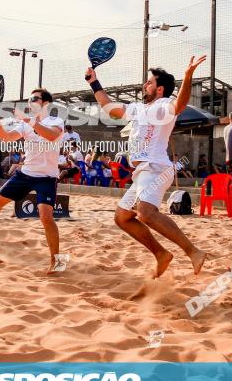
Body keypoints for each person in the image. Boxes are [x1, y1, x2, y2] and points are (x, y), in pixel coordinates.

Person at [86, 57, 208, 278]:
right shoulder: (139, 108)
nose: (145, 85)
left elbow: (179, 104)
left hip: (156, 168)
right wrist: (94, 82)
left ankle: (193, 251)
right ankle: (161, 254)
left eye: (149, 82)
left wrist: (188, 76)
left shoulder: (163, 105)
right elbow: (109, 107)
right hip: (142, 173)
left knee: (145, 213)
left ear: (160, 89)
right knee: (122, 217)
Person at [0, 88, 65, 273]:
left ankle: (56, 261)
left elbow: (51, 136)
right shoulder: (26, 125)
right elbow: (7, 138)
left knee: (46, 216)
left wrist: (29, 120)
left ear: (46, 103)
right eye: (29, 99)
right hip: (26, 174)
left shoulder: (55, 121)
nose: (30, 102)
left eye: (34, 98)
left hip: (47, 177)